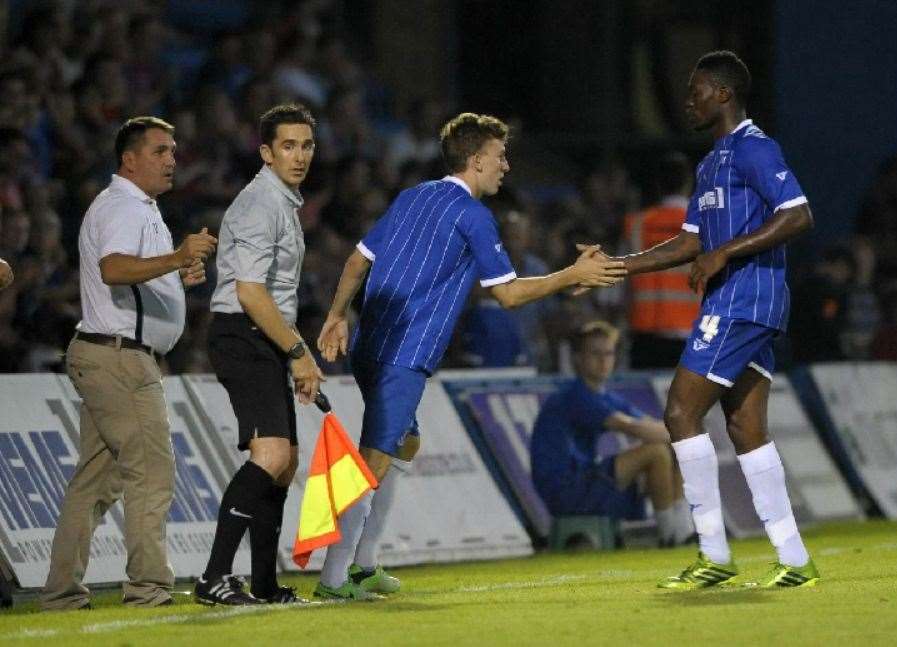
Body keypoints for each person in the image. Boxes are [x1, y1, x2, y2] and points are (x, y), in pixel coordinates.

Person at [314, 112, 627, 600]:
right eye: (500, 157)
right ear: (476, 159)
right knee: (374, 460)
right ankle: (335, 578)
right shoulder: (474, 215)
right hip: (405, 351)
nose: (506, 165)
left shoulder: (412, 195)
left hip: (371, 345)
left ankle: (365, 563)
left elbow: (357, 260)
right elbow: (509, 296)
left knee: (403, 445)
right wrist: (569, 275)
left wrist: (336, 315)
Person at [605, 51, 819, 589]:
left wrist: (726, 255)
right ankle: (794, 560)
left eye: (697, 90)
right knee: (746, 428)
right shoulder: (711, 162)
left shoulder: (755, 148)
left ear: (723, 93)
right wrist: (618, 266)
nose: (688, 99)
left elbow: (798, 213)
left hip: (745, 299)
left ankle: (713, 552)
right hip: (736, 301)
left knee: (680, 411)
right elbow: (691, 241)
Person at [41, 116, 216, 610]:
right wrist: (178, 255)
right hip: (119, 360)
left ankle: (60, 593)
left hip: (104, 354)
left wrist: (175, 273)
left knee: (94, 481)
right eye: (160, 151)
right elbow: (114, 269)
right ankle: (148, 587)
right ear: (129, 159)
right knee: (151, 473)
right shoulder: (123, 205)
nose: (171, 160)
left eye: (174, 151)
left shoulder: (135, 207)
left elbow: (131, 274)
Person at [194, 103, 323, 606]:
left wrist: (291, 348)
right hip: (244, 334)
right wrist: (297, 351)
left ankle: (265, 583)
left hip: (265, 334)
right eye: (288, 146)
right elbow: (249, 291)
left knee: (285, 462)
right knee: (269, 455)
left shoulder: (284, 202)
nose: (299, 155)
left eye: (307, 145)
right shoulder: (258, 205)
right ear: (266, 153)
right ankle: (213, 578)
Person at [531, 321, 693, 547]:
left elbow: (648, 424)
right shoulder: (575, 396)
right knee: (657, 452)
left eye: (608, 353)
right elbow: (633, 428)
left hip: (584, 480)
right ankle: (671, 536)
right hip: (566, 489)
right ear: (578, 358)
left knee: (671, 447)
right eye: (595, 353)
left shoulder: (604, 395)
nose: (603, 360)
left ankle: (682, 531)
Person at [622, 152, 700, 369]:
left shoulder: (635, 225)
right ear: (689, 183)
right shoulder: (710, 226)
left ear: (658, 184)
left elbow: (617, 285)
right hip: (695, 340)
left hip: (645, 340)